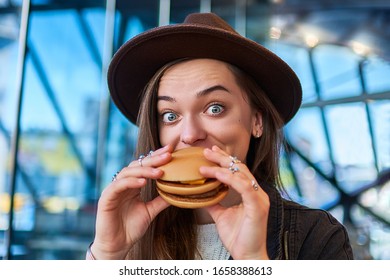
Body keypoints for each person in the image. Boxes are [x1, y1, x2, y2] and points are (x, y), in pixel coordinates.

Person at [86, 12, 354, 260]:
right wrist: (107, 255)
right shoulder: (131, 233)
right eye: (170, 115)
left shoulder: (318, 238)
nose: (190, 135)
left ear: (257, 122)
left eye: (215, 108)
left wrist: (253, 262)